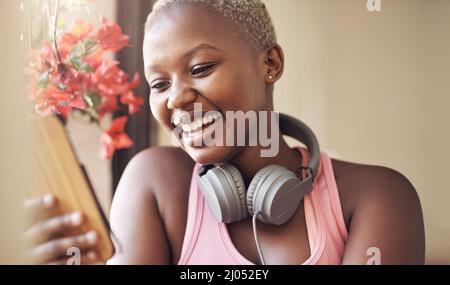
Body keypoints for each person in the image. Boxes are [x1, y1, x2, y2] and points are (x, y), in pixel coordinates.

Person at [24, 0, 425, 265]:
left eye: (200, 69)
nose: (176, 99)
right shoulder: (154, 183)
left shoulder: (379, 196)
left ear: (270, 63)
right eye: (159, 84)